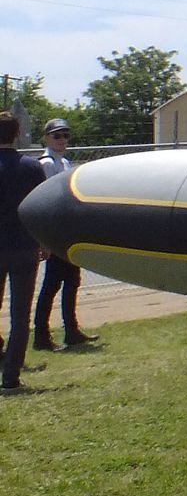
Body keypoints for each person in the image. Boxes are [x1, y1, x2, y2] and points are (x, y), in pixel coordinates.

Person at [33, 119, 93, 349]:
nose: (62, 140)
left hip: (66, 231)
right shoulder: (47, 163)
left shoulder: (65, 162)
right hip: (54, 231)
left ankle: (71, 329)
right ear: (47, 138)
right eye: (57, 136)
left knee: (71, 281)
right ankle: (41, 335)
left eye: (65, 135)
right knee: (52, 284)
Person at [0, 111, 47, 392]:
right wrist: (45, 242)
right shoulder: (32, 168)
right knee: (20, 315)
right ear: (17, 134)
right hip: (24, 247)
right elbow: (40, 210)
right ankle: (11, 378)